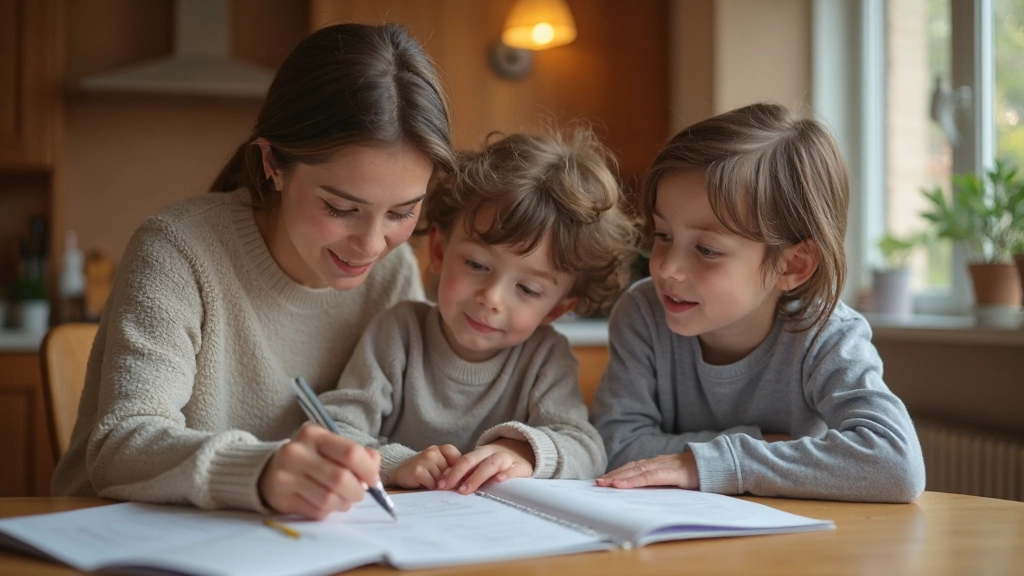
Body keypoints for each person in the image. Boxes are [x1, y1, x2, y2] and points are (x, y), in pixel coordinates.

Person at [51, 23, 457, 520]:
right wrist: (261, 470)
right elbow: (120, 445)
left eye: (401, 212)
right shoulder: (178, 249)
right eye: (341, 208)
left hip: (297, 540)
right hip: (126, 535)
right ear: (273, 164)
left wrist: (404, 461)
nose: (372, 245)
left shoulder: (393, 275)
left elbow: (391, 433)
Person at [591, 103, 926, 503]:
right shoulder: (643, 314)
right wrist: (762, 443)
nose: (667, 268)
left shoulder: (827, 334)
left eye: (707, 250)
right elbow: (615, 446)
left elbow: (896, 463)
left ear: (793, 265)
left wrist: (710, 463)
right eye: (663, 235)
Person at [322, 127, 639, 494]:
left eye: (527, 289)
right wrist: (396, 464)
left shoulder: (544, 357)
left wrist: (523, 452)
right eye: (476, 265)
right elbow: (333, 430)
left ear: (557, 308)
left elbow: (588, 450)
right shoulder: (398, 333)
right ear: (439, 251)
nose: (492, 298)